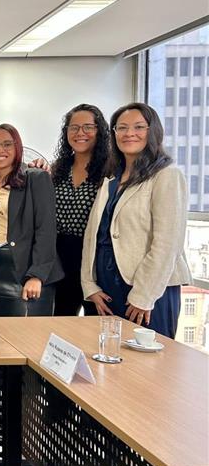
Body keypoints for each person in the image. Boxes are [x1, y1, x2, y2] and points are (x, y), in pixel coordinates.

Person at [81, 103, 191, 338]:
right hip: (106, 291)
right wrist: (89, 285)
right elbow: (92, 236)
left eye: (138, 127)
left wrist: (144, 295)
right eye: (122, 128)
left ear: (153, 131)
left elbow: (167, 244)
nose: (129, 133)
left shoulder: (167, 175)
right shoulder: (111, 179)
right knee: (105, 363)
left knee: (147, 368)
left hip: (149, 292)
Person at [0, 124, 63, 316]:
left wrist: (37, 275)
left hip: (28, 270)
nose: (0, 150)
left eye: (7, 144)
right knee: (0, 335)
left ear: (18, 147)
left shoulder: (36, 177)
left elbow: (46, 230)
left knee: (29, 339)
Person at [50, 104, 110, 316]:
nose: (80, 133)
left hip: (95, 260)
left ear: (100, 131)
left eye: (87, 127)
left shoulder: (111, 170)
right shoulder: (58, 169)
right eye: (73, 127)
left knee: (97, 323)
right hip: (60, 259)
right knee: (61, 323)